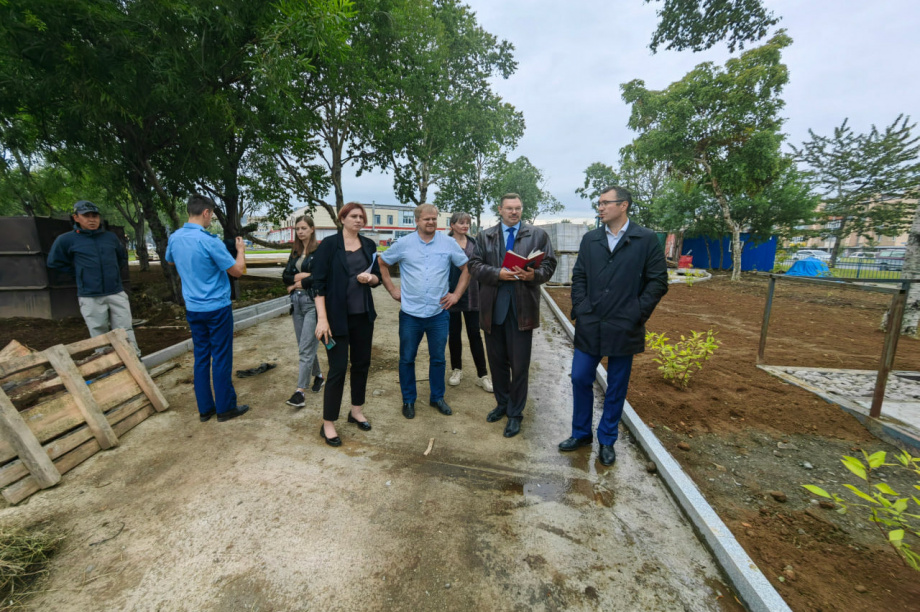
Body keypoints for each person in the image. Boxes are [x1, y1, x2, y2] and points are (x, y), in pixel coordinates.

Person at [558, 185, 668, 466]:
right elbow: (580, 275)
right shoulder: (591, 239)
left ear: (624, 205)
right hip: (591, 322)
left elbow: (658, 282)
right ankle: (581, 433)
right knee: (580, 377)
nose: (601, 208)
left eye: (606, 203)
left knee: (616, 386)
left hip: (624, 325)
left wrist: (636, 312)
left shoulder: (645, 239)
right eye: (599, 203)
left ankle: (607, 440)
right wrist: (581, 307)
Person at [468, 194, 556, 438]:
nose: (514, 212)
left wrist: (533, 276)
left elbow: (549, 265)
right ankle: (502, 404)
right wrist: (498, 273)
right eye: (509, 208)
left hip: (521, 309)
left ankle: (516, 414)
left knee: (519, 365)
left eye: (518, 208)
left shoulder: (538, 236)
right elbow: (473, 266)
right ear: (500, 210)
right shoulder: (485, 236)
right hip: (493, 309)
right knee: (497, 363)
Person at [378, 204, 470, 420]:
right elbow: (382, 262)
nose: (431, 222)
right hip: (411, 314)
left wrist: (455, 295)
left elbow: (466, 268)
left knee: (438, 358)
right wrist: (392, 289)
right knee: (407, 358)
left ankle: (437, 397)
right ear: (417, 221)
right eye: (426, 219)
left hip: (438, 314)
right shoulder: (403, 244)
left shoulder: (448, 243)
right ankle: (408, 400)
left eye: (434, 219)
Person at [165, 194, 249, 423]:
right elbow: (237, 271)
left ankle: (205, 409)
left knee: (201, 357)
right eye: (211, 214)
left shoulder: (175, 238)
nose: (210, 218)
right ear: (205, 212)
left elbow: (171, 261)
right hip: (216, 307)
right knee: (221, 357)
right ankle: (225, 408)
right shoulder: (209, 240)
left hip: (193, 307)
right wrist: (240, 250)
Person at [312, 202, 381, 446]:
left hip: (363, 316)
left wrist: (371, 278)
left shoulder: (369, 245)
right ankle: (328, 423)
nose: (359, 220)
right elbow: (317, 283)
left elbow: (378, 278)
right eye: (354, 216)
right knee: (338, 368)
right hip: (335, 320)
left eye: (362, 217)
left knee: (361, 364)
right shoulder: (330, 245)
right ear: (342, 218)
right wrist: (322, 319)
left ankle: (356, 411)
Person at [47, 200, 140, 356]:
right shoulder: (66, 240)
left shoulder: (109, 238)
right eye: (86, 216)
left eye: (95, 216)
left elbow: (121, 258)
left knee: (125, 329)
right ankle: (107, 365)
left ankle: (135, 358)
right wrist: (80, 273)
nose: (92, 220)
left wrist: (113, 272)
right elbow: (54, 262)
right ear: (76, 218)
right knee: (99, 332)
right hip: (90, 295)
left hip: (115, 292)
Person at [281, 215, 325, 408]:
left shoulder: (320, 251)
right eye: (297, 228)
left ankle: (300, 392)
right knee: (304, 345)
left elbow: (321, 277)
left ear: (312, 229)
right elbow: (285, 276)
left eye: (304, 228)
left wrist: (297, 282)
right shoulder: (295, 252)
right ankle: (319, 376)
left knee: (306, 348)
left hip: (312, 303)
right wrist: (300, 277)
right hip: (296, 303)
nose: (300, 231)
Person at [446, 212, 492, 392]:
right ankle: (456, 370)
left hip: (473, 295)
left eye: (467, 223)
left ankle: (483, 375)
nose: (465, 226)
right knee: (454, 335)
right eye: (461, 223)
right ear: (452, 225)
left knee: (475, 335)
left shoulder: (475, 244)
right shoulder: (445, 243)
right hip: (452, 295)